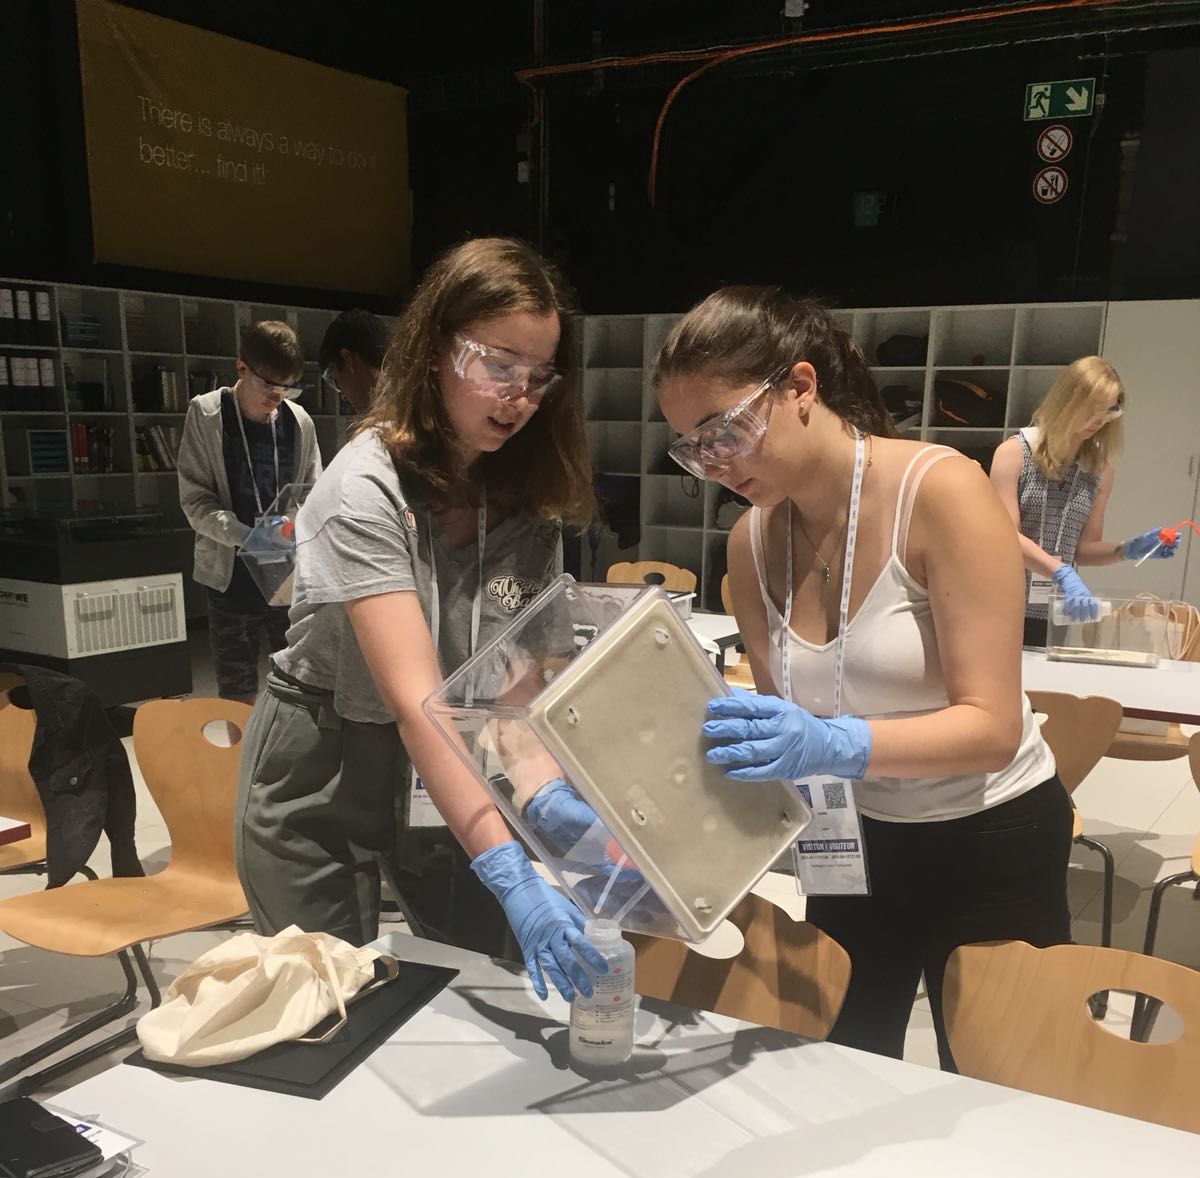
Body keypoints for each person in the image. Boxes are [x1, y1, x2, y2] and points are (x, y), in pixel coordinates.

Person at [653, 286, 1073, 1070]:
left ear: (800, 387)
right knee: (840, 1070)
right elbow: (782, 732)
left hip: (987, 836)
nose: (713, 464)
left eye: (724, 430)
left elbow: (990, 728)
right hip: (852, 842)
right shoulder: (750, 542)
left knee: (1003, 1089)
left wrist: (834, 742)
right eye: (692, 447)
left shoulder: (940, 492)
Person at [235, 237, 605, 1002]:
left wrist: (543, 794)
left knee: (477, 992)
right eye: (498, 366)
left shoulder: (528, 498)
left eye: (539, 376)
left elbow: (517, 692)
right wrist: (508, 870)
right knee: (330, 1005)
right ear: (436, 352)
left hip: (446, 761)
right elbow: (415, 701)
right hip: (326, 761)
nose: (518, 397)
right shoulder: (364, 485)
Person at [178, 321, 321, 703]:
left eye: (288, 387)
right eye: (269, 385)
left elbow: (312, 494)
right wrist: (248, 537)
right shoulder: (207, 414)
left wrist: (290, 529)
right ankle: (240, 747)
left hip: (286, 572)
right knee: (236, 688)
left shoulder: (299, 422)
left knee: (296, 682)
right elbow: (195, 500)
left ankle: (285, 744)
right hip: (229, 575)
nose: (277, 397)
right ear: (241, 367)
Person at [988, 356, 1177, 646]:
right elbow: (1004, 538)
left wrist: (1127, 549)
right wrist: (1060, 571)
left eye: (1109, 412)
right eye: (1092, 410)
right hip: (1001, 604)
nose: (1099, 422)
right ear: (1067, 402)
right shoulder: (1014, 453)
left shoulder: (1099, 469)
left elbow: (1084, 549)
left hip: (1054, 612)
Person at [319, 308, 388, 415]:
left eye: (336, 382)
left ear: (348, 358)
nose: (343, 396)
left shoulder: (382, 422)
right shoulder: (410, 404)